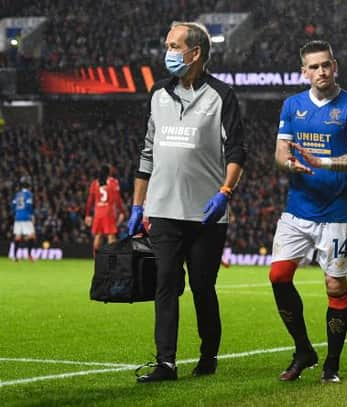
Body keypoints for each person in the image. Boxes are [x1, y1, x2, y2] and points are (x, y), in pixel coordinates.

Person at [128, 21, 246, 383]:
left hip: (205, 214)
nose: (167, 52)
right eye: (167, 44)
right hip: (162, 209)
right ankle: (166, 362)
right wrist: (137, 205)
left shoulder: (222, 95)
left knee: (202, 286)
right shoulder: (158, 94)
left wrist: (224, 193)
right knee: (165, 283)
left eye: (174, 45)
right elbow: (147, 152)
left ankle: (208, 353)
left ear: (195, 52)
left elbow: (237, 151)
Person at [269, 40, 347, 383]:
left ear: (335, 66)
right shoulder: (292, 105)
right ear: (304, 72)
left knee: (334, 286)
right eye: (313, 67)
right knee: (278, 277)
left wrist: (322, 162)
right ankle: (303, 349)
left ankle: (332, 364)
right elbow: (280, 153)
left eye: (326, 65)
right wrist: (290, 165)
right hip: (297, 211)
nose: (321, 71)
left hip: (336, 216)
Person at [84, 164, 125, 255]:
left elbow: (90, 200)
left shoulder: (95, 183)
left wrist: (87, 215)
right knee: (111, 236)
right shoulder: (113, 182)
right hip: (108, 212)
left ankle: (96, 261)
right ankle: (112, 261)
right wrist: (122, 211)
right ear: (109, 172)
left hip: (98, 212)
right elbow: (117, 198)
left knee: (98, 236)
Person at [11, 176, 36, 261]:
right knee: (32, 236)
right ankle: (29, 255)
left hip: (18, 217)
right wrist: (32, 216)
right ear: (28, 184)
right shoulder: (28, 194)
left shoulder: (17, 194)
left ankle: (15, 256)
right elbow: (29, 206)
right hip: (26, 216)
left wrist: (17, 213)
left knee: (17, 236)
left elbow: (13, 205)